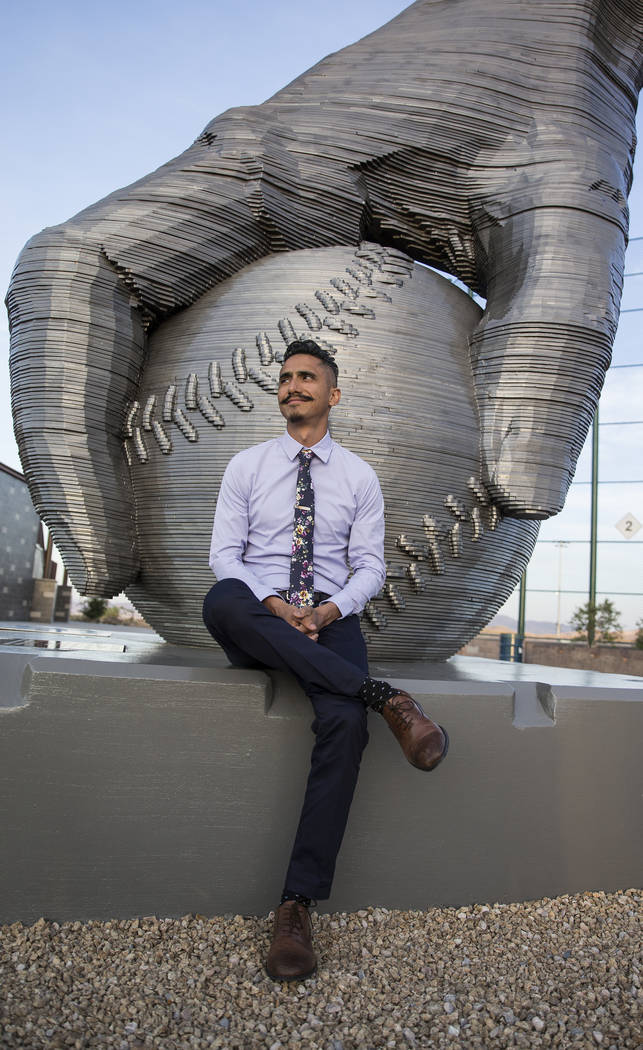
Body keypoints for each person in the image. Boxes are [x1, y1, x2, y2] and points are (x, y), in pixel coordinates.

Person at [202, 339, 449, 981]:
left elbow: (371, 567)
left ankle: (296, 906)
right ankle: (386, 697)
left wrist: (328, 612)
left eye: (307, 377)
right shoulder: (247, 466)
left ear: (332, 395)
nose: (293, 386)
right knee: (222, 600)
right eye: (285, 378)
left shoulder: (358, 477)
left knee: (342, 725)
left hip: (330, 617)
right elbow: (224, 555)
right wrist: (279, 606)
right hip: (262, 617)